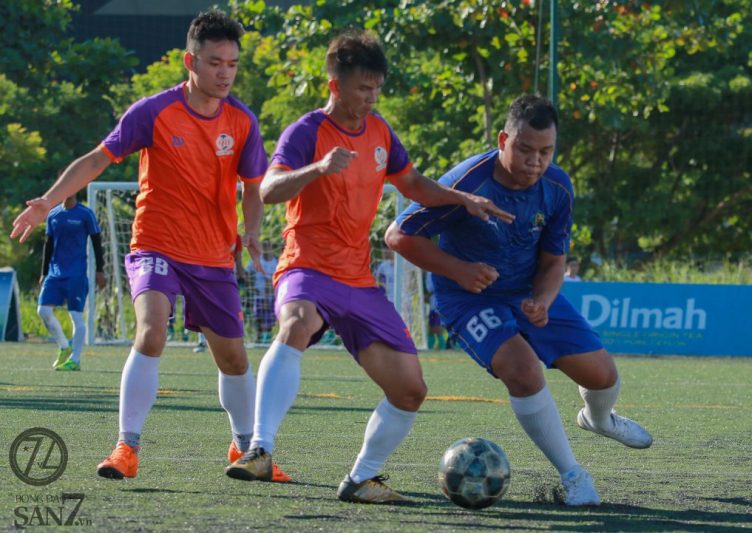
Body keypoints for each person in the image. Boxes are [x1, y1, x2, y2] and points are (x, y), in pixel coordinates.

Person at [224, 30, 511, 503]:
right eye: (362, 88)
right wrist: (316, 168)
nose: (371, 97)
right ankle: (259, 449)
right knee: (296, 322)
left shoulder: (380, 133)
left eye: (377, 88)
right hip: (308, 265)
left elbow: (414, 183)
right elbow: (268, 189)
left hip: (357, 279)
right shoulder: (307, 131)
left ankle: (361, 478)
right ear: (335, 85)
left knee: (410, 390)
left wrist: (464, 199)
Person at [11, 10, 292, 482]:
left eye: (232, 64)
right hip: (155, 246)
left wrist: (251, 229)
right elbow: (99, 157)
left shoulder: (242, 121)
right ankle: (126, 447)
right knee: (152, 330)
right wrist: (48, 201)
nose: (224, 72)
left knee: (234, 357)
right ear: (190, 61)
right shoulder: (153, 111)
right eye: (214, 62)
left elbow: (251, 184)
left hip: (213, 255)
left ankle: (247, 449)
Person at [385, 94, 652, 507]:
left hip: (527, 291)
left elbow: (553, 260)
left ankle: (598, 419)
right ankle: (574, 476)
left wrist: (544, 300)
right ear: (503, 139)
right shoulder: (467, 181)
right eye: (525, 149)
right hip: (468, 298)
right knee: (524, 371)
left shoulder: (558, 188)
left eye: (546, 152)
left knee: (602, 376)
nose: (535, 161)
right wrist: (459, 270)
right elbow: (397, 236)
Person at [38, 192, 106, 371]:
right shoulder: (53, 214)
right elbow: (48, 244)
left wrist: (100, 270)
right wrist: (44, 272)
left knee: (76, 316)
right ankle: (64, 346)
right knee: (43, 311)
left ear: (77, 188)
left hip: (76, 274)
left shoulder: (85, 214)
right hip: (54, 274)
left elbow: (97, 242)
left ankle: (75, 360)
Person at [244, 239, 279, 343]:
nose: (266, 248)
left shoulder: (276, 262)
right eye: (264, 246)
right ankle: (258, 339)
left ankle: (267, 338)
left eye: (268, 246)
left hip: (271, 296)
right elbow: (247, 273)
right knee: (258, 317)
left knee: (270, 319)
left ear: (271, 247)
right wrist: (251, 286)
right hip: (258, 295)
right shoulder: (256, 260)